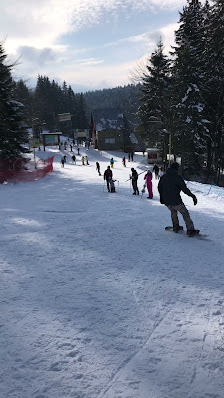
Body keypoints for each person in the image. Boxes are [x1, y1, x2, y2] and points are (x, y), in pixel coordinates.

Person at [158, 162, 199, 236]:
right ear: (176, 169)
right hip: (176, 201)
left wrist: (162, 198)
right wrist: (193, 196)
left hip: (167, 201)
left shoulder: (163, 177)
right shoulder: (177, 177)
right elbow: (185, 189)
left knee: (173, 212)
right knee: (185, 213)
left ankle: (176, 226)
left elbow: (159, 188)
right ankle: (190, 230)